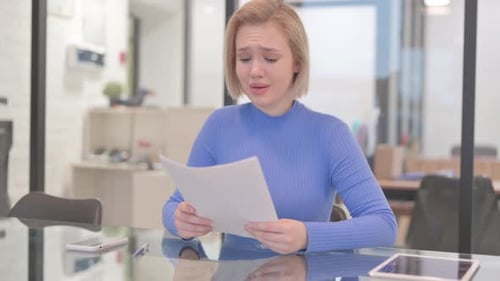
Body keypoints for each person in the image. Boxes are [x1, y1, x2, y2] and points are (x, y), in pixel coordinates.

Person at [163, 0, 397, 254]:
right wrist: (180, 220)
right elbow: (173, 205)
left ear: (297, 62)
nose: (254, 71)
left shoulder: (330, 134)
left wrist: (307, 236)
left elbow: (383, 225)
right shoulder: (219, 125)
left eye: (270, 58)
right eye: (243, 58)